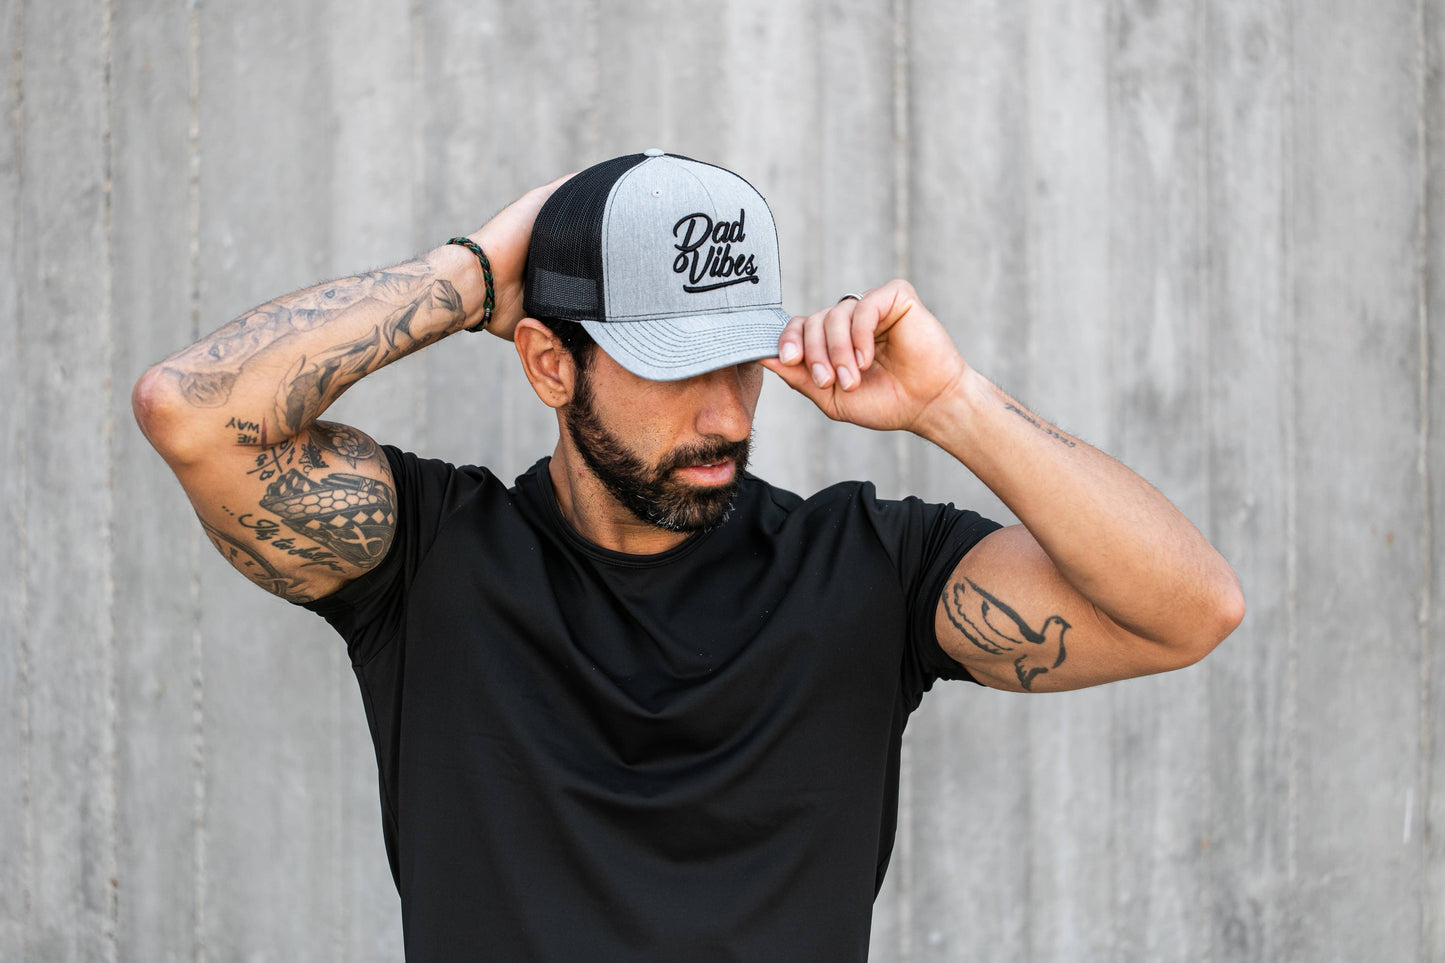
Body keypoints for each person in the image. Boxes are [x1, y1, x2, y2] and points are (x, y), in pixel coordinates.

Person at [133, 151, 1244, 961]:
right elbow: (190, 412)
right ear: (549, 363)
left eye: (742, 359)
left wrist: (952, 403)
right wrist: (468, 272)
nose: (727, 414)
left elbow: (1189, 612)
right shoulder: (427, 560)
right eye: (672, 367)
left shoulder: (865, 566)